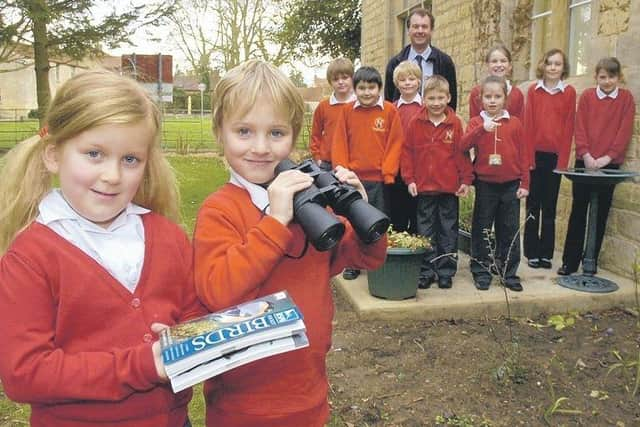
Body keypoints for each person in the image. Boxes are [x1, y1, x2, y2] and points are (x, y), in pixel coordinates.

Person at [0, 70, 205, 427]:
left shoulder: (167, 236)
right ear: (53, 155)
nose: (112, 175)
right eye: (94, 154)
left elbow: (190, 316)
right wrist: (143, 364)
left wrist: (192, 340)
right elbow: (25, 373)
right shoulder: (31, 255)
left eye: (130, 160)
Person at [193, 59, 386, 427]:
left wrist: (360, 210)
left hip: (308, 396)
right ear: (220, 132)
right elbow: (219, 291)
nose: (261, 148)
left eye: (277, 133)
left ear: (294, 135)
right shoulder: (220, 211)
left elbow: (364, 257)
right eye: (244, 131)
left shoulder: (308, 201)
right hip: (242, 407)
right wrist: (275, 221)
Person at [558, 57, 636, 276]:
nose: (608, 81)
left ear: (619, 77)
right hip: (585, 161)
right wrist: (586, 154)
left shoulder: (626, 99)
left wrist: (607, 158)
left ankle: (590, 262)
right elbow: (579, 125)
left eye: (612, 77)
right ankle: (570, 262)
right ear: (596, 77)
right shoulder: (588, 97)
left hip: (609, 165)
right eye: (603, 77)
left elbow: (624, 131)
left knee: (600, 213)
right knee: (578, 212)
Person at [332, 65, 404, 279]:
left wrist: (389, 172)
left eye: (371, 88)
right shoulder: (347, 111)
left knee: (378, 220)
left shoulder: (390, 111)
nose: (366, 92)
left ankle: (377, 262)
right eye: (362, 88)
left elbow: (395, 143)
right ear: (355, 89)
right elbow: (339, 142)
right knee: (354, 221)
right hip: (354, 178)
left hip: (379, 180)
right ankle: (353, 263)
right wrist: (342, 171)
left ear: (380, 88)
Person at [402, 75, 473, 289]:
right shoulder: (416, 123)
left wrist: (466, 179)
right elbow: (407, 154)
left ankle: (445, 271)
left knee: (448, 231)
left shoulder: (454, 124)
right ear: (424, 99)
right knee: (425, 231)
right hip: (424, 188)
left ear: (449, 97)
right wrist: (409, 179)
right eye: (431, 98)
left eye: (440, 98)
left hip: (448, 188)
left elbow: (462, 154)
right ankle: (426, 270)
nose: (436, 103)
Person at [460, 76, 529, 292]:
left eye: (497, 96)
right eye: (488, 97)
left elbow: (524, 156)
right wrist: (482, 129)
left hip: (510, 184)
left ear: (505, 98)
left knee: (508, 229)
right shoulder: (476, 122)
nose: (492, 101)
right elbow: (463, 145)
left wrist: (525, 182)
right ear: (481, 99)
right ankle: (481, 270)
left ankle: (508, 271)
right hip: (485, 185)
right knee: (482, 228)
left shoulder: (515, 123)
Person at [523, 48, 576, 270]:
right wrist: (528, 159)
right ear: (543, 66)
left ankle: (546, 253)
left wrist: (563, 161)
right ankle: (532, 252)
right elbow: (528, 125)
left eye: (558, 64)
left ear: (563, 68)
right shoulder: (534, 91)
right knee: (533, 206)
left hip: (554, 158)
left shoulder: (569, 92)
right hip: (535, 156)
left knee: (550, 208)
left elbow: (568, 127)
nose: (553, 67)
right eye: (550, 63)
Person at [384, 7, 458, 110]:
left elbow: (451, 102)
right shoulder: (395, 63)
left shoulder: (445, 62)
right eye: (415, 26)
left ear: (431, 30)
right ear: (408, 30)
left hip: (435, 123)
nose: (420, 31)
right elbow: (389, 101)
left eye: (424, 27)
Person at [390, 60, 422, 233]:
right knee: (398, 213)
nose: (407, 83)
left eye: (411, 79)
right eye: (403, 80)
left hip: (419, 168)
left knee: (417, 212)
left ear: (419, 81)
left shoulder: (426, 107)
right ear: (397, 83)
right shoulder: (391, 109)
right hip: (397, 168)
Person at [309, 57, 356, 170]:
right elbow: (315, 135)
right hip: (327, 163)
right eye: (336, 79)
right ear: (330, 82)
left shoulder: (359, 105)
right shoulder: (323, 106)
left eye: (345, 78)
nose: (340, 82)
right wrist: (318, 159)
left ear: (352, 79)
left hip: (353, 163)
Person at [468, 44, 524, 120]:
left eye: (503, 61)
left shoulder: (517, 94)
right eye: (494, 61)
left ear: (510, 66)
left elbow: (520, 124)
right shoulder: (476, 92)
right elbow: (474, 124)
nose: (499, 65)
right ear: (487, 65)